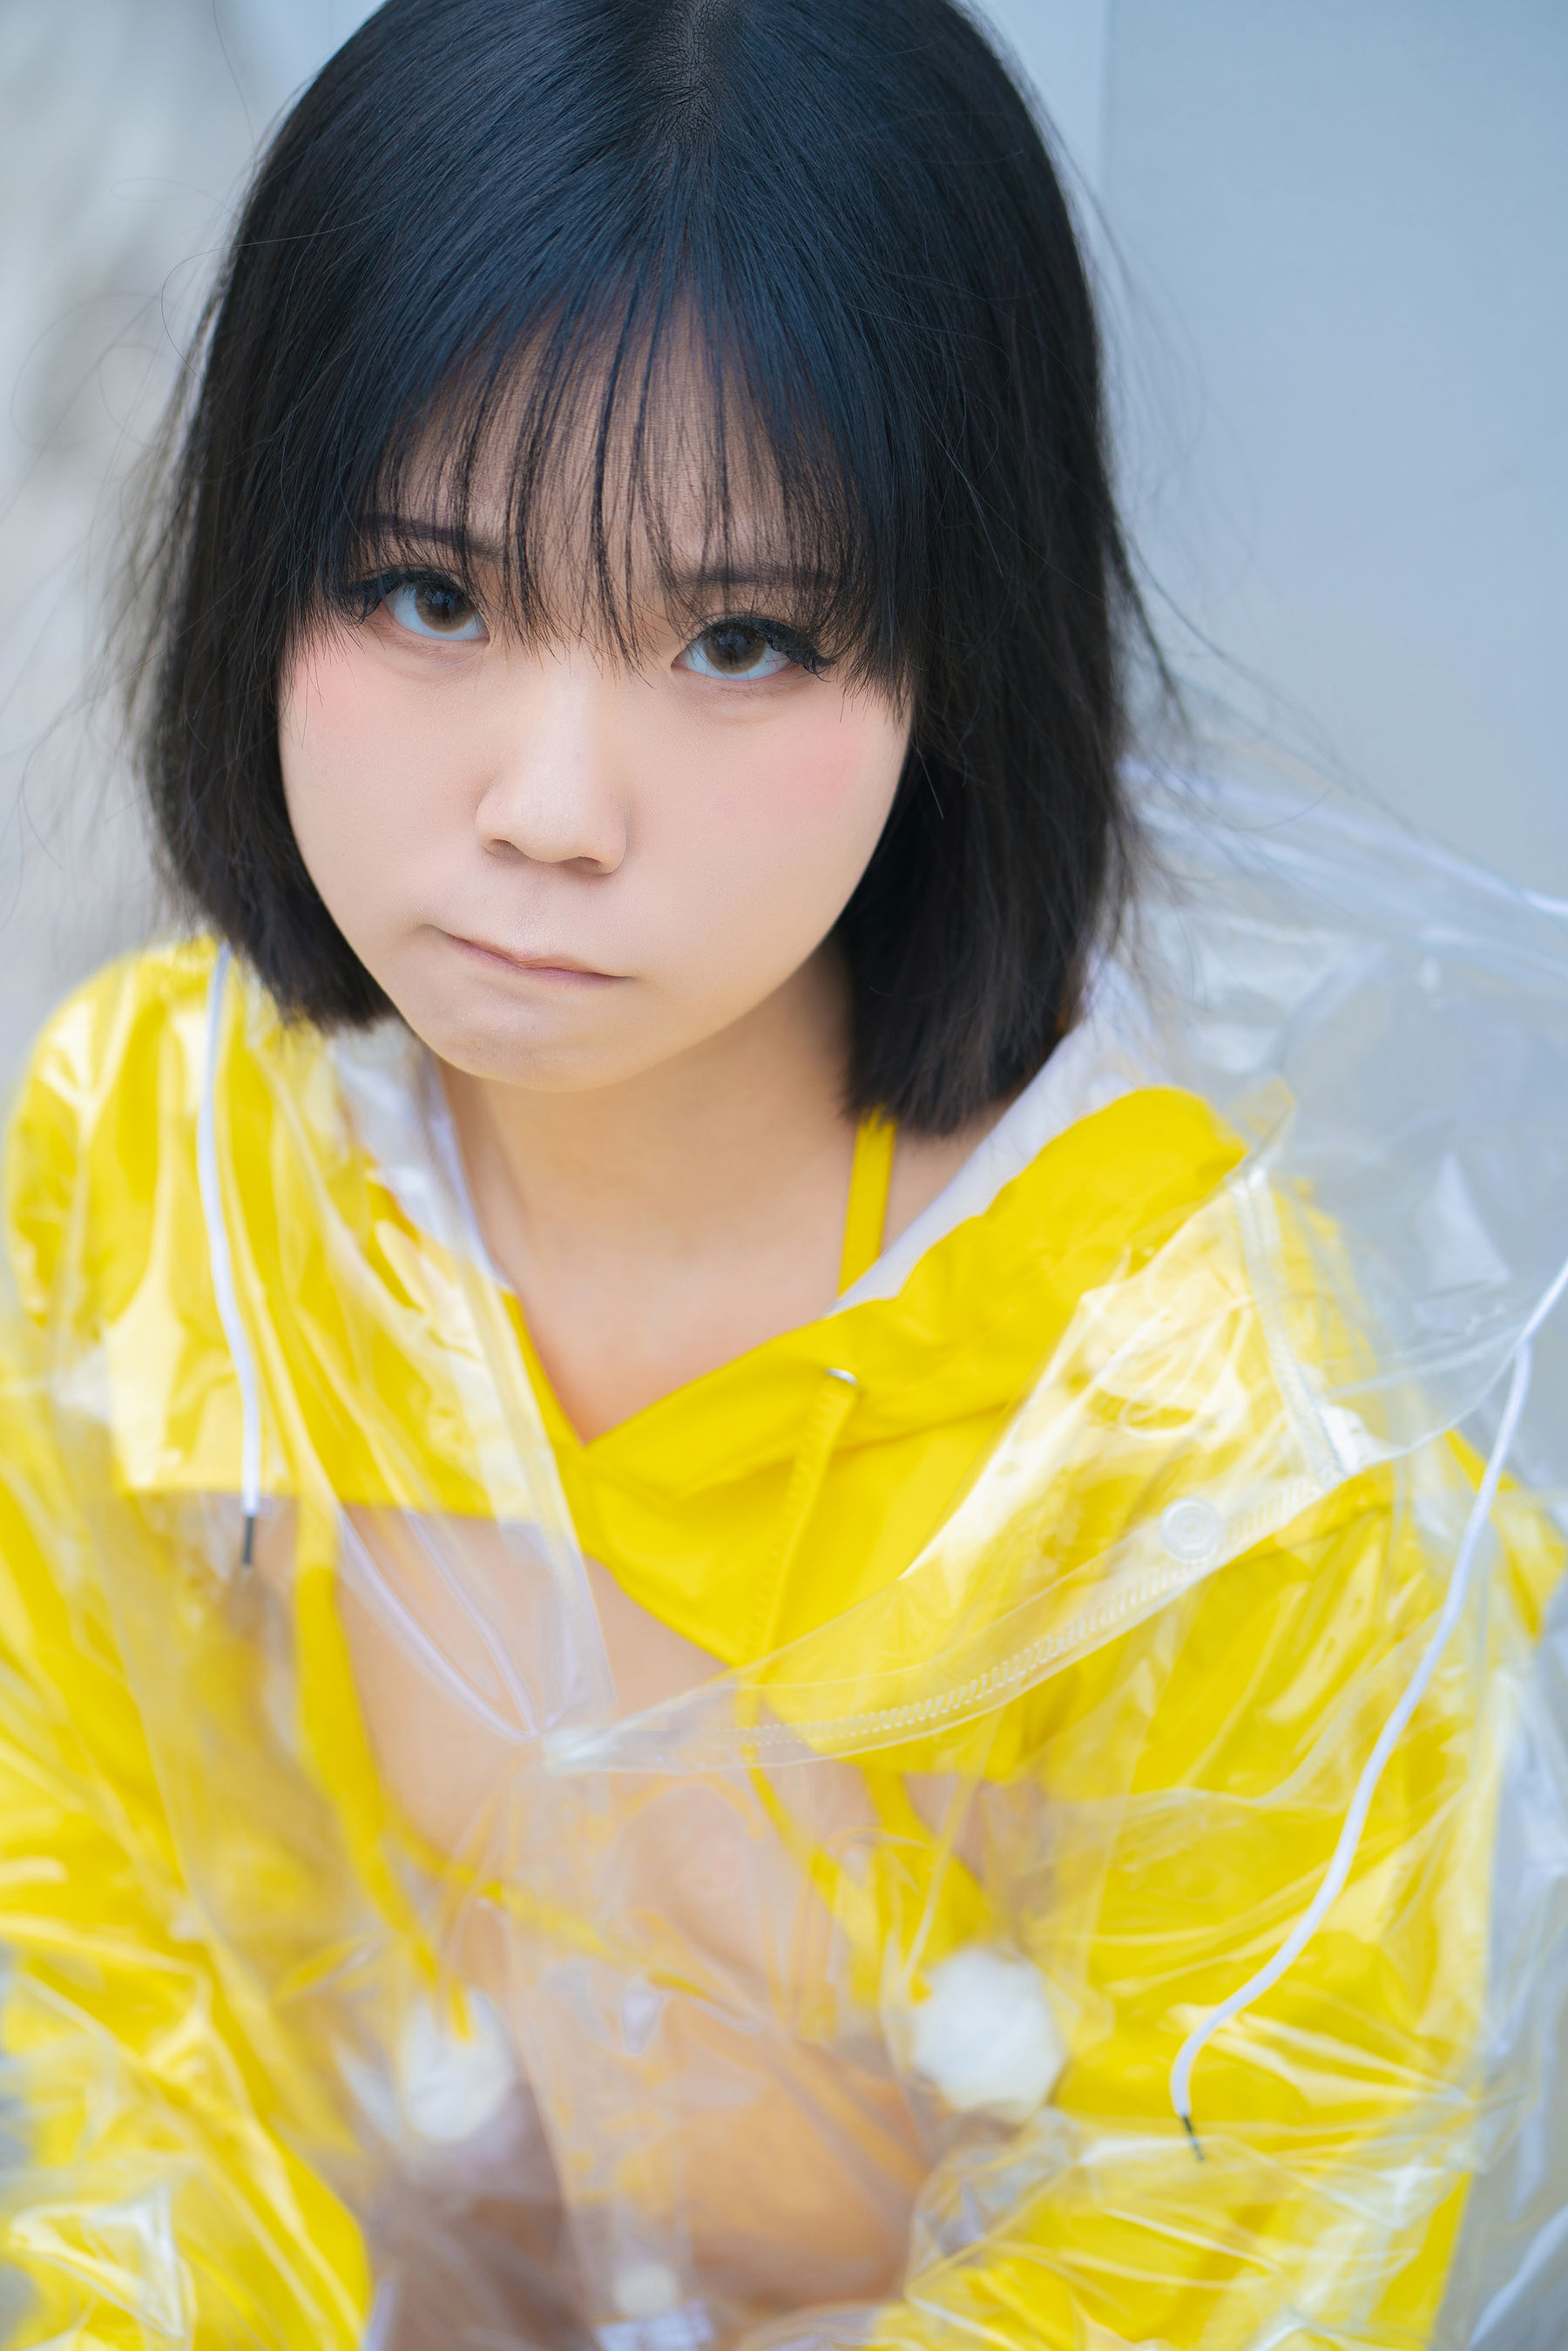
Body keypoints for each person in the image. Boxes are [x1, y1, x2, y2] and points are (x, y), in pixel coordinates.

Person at [4, 2, 1568, 2344]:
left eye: (739, 638)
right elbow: (126, 2007)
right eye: (430, 592)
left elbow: (1244, 2221)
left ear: (958, 659)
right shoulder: (164, 1164)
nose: (551, 804)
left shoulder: (1194, 1424)